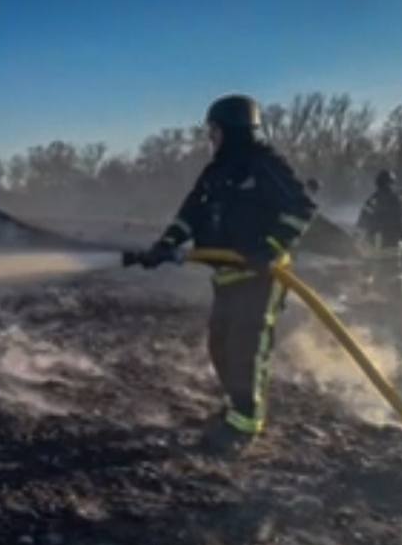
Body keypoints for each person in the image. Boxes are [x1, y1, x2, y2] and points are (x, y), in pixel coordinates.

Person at [134, 94, 317, 454]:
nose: (211, 138)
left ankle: (246, 424)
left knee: (246, 347)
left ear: (234, 129)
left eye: (214, 131)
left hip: (262, 275)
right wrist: (166, 243)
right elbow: (191, 213)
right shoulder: (215, 172)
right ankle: (236, 406)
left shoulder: (265, 164)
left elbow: (301, 208)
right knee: (219, 346)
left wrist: (269, 247)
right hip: (227, 276)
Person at [357, 170, 402, 296]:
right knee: (395, 270)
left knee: (367, 265)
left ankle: (364, 291)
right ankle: (398, 296)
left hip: (375, 242)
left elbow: (362, 220)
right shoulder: (401, 199)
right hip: (394, 242)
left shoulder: (373, 199)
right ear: (392, 182)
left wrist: (359, 238)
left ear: (378, 183)